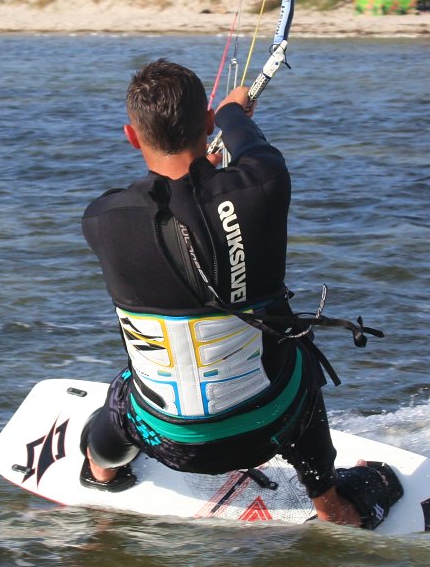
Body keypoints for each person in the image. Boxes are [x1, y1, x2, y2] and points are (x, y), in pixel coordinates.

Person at [79, 58, 402, 528]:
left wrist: (201, 182)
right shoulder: (264, 185)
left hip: (163, 437)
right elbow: (253, 151)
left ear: (132, 135)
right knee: (298, 357)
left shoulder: (101, 220)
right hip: (270, 427)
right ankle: (331, 500)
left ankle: (103, 473)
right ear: (207, 123)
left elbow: (167, 219)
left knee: (120, 401)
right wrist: (232, 113)